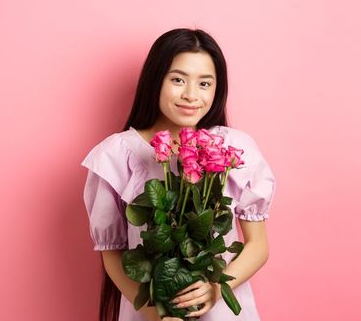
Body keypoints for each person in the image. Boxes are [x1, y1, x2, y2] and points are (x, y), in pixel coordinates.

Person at [81, 28, 276, 321]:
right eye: (177, 80)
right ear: (155, 81)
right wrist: (155, 314)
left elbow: (258, 246)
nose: (191, 95)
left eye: (204, 83)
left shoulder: (232, 148)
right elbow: (113, 256)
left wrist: (215, 287)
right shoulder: (116, 156)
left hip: (221, 311)